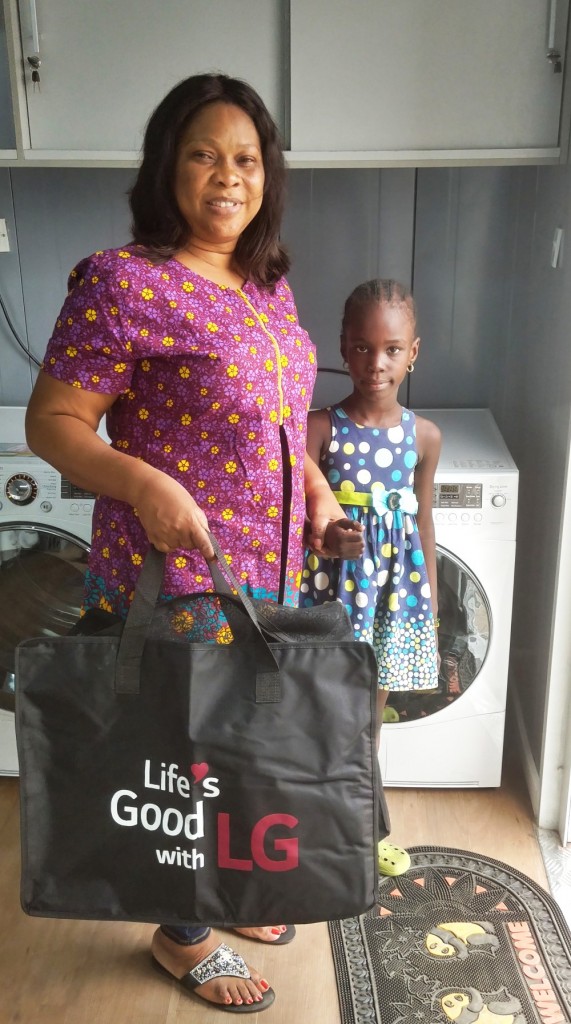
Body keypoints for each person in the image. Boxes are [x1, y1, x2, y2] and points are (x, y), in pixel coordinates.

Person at [25, 72, 357, 1015]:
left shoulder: (265, 286)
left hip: (270, 573)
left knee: (240, 748)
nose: (227, 176)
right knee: (177, 757)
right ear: (167, 167)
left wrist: (326, 505)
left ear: (268, 176)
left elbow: (286, 430)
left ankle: (232, 882)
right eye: (203, 154)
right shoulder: (121, 282)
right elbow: (53, 424)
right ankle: (181, 934)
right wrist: (147, 484)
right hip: (172, 578)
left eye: (246, 158)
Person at [301, 278, 441, 876]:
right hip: (331, 597)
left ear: (413, 352)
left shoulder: (424, 437)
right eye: (361, 348)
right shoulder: (319, 430)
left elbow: (423, 521)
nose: (375, 363)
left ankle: (362, 830)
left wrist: (428, 605)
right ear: (342, 347)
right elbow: (294, 517)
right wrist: (331, 536)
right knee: (315, 712)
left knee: (366, 721)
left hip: (391, 599)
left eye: (390, 349)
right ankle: (303, 829)